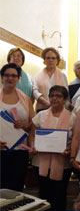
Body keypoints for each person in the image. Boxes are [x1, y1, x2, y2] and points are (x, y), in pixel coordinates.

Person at [29, 85, 75, 211]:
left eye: (59, 96)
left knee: (60, 199)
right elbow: (32, 134)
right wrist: (33, 146)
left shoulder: (71, 117)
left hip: (62, 164)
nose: (55, 99)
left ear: (65, 99)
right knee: (45, 198)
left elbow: (75, 139)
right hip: (40, 163)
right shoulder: (41, 115)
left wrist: (69, 150)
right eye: (52, 95)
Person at [0, 63, 34, 191]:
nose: (10, 78)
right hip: (1, 150)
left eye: (14, 76)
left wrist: (25, 124)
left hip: (20, 150)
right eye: (7, 75)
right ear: (2, 77)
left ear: (18, 78)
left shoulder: (25, 98)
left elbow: (33, 123)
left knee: (16, 187)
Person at [32, 47, 68, 112]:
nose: (50, 60)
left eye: (53, 58)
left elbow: (66, 92)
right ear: (44, 60)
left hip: (58, 109)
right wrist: (47, 103)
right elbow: (35, 91)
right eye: (48, 58)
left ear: (57, 60)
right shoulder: (37, 75)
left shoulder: (62, 76)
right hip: (42, 108)